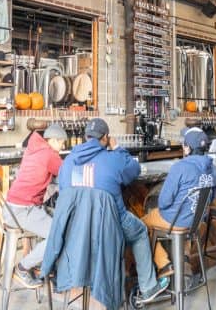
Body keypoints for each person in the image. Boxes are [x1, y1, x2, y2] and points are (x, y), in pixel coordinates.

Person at [57, 118, 169, 303]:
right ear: (106, 138)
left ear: (85, 137)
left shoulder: (68, 161)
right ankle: (148, 287)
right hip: (111, 224)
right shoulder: (112, 159)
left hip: (78, 228)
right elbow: (134, 170)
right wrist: (117, 148)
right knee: (140, 230)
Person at [142, 129, 216, 276]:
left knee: (140, 226)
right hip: (197, 222)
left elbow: (164, 202)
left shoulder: (180, 167)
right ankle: (184, 261)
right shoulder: (213, 168)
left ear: (187, 148)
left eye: (184, 145)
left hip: (175, 222)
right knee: (188, 214)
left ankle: (164, 265)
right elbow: (213, 197)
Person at [5, 124, 67, 288]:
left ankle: (43, 261)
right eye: (61, 143)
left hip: (11, 208)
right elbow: (66, 172)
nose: (63, 147)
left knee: (58, 217)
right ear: (52, 140)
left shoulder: (34, 148)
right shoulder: (49, 154)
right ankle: (23, 268)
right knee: (57, 234)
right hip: (23, 210)